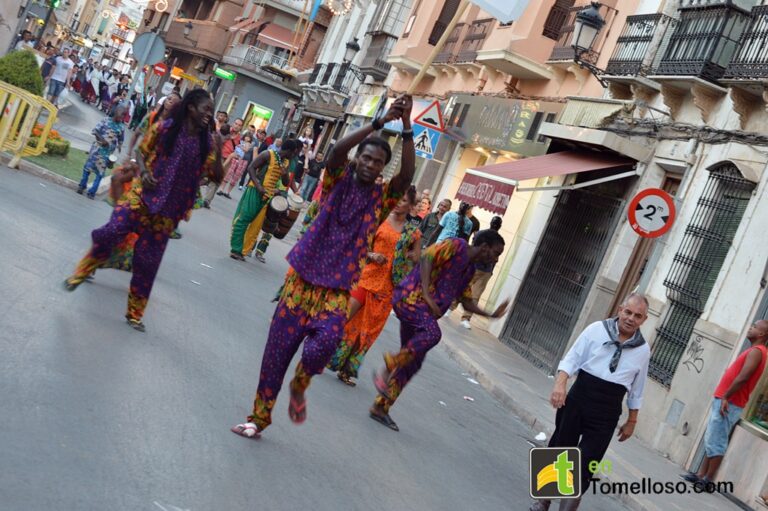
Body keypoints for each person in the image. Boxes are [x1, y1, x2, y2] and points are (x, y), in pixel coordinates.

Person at [230, 95, 415, 439]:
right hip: (300, 282)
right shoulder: (335, 181)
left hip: (336, 290)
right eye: (367, 158)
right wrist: (378, 123)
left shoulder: (382, 199)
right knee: (275, 357)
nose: (371, 165)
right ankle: (258, 418)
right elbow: (336, 153)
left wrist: (405, 125)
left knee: (325, 345)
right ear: (359, 159)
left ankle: (301, 382)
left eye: (378, 163)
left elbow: (406, 175)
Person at [64, 89, 222, 332]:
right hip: (141, 199)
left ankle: (134, 314)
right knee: (112, 230)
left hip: (168, 213)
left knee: (147, 262)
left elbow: (216, 176)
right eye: (206, 109)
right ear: (191, 107)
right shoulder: (166, 128)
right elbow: (142, 150)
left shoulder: (207, 143)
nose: (209, 115)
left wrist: (219, 148)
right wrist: (146, 172)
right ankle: (83, 270)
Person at [370, 231, 509, 431]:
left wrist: (491, 315)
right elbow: (427, 256)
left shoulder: (468, 270)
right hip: (411, 299)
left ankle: (380, 408)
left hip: (422, 314)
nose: (495, 259)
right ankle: (388, 366)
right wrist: (426, 293)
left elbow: (467, 302)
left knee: (412, 362)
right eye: (496, 253)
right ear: (484, 246)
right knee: (433, 334)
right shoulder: (456, 245)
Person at [529, 293, 651, 511]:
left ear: (644, 320)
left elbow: (637, 388)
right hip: (579, 398)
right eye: (628, 312)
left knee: (586, 462)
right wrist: (560, 385)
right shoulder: (596, 330)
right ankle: (543, 502)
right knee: (560, 448)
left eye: (638, 316)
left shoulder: (643, 350)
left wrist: (632, 420)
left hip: (608, 409)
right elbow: (572, 358)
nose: (631, 318)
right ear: (620, 310)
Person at [328, 186, 421, 386]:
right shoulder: (379, 219)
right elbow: (361, 245)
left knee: (367, 332)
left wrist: (410, 257)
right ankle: (321, 351)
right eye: (397, 198)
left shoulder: (413, 233)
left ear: (412, 206)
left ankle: (347, 370)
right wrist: (371, 255)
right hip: (366, 278)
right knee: (343, 317)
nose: (398, 203)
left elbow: (416, 259)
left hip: (388, 289)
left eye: (404, 200)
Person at [681, 320, 768, 486]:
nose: (751, 327)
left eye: (755, 327)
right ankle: (701, 474)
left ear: (762, 334)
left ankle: (708, 480)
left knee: (718, 440)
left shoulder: (757, 351)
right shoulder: (755, 350)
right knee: (713, 437)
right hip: (727, 400)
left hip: (730, 402)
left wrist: (726, 397)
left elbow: (744, 377)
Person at [228, 139, 301, 260]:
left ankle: (243, 250)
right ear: (289, 151)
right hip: (255, 191)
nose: (294, 155)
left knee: (256, 225)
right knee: (244, 219)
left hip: (267, 196)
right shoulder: (268, 154)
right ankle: (235, 249)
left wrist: (284, 174)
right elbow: (251, 167)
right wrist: (258, 186)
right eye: (294, 152)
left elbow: (286, 182)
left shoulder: (285, 162)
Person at [455, 216, 503, 330]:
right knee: (462, 288)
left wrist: (491, 315)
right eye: (494, 222)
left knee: (475, 295)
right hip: (475, 266)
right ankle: (450, 307)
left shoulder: (499, 241)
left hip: (486, 271)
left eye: (497, 224)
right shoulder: (478, 235)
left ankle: (466, 318)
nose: (495, 258)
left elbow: (496, 258)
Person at [76, 105, 126, 199]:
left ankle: (91, 193)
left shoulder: (121, 127)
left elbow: (121, 139)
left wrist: (119, 146)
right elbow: (95, 131)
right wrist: (102, 140)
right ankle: (81, 186)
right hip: (96, 150)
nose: (121, 117)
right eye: (120, 114)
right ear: (115, 112)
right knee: (87, 168)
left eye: (123, 115)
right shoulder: (105, 120)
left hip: (106, 154)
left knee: (100, 173)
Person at [218, 133, 254, 198]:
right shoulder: (240, 141)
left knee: (236, 176)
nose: (247, 138)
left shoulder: (249, 144)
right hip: (236, 158)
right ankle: (221, 189)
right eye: (246, 137)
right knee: (229, 173)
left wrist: (241, 147)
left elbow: (246, 150)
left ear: (250, 139)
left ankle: (228, 192)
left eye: (249, 138)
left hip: (243, 161)